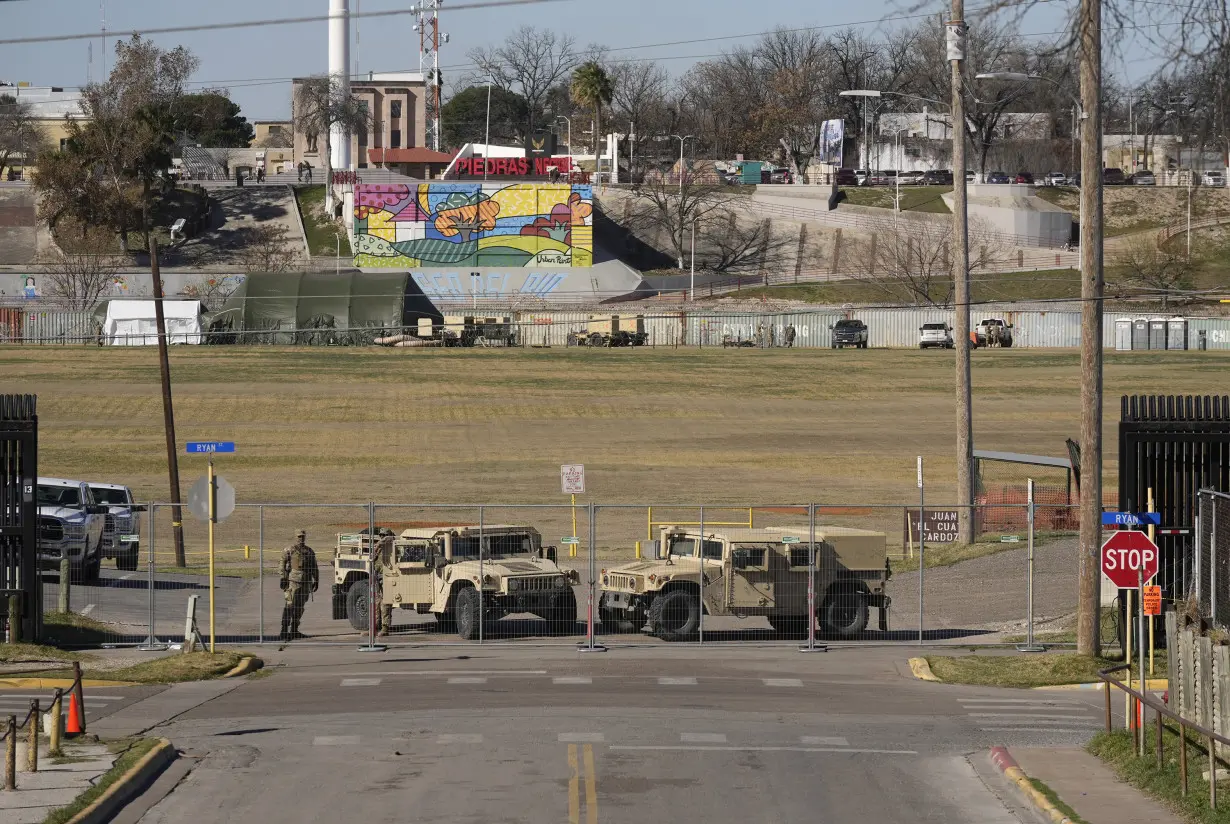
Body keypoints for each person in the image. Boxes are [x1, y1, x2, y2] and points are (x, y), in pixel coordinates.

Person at [279, 530, 319, 641]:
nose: (301, 538)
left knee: (300, 607)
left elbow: (314, 566)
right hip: (293, 581)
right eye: (299, 536)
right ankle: (284, 630)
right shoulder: (289, 550)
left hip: (306, 582)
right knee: (289, 605)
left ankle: (294, 630)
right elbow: (282, 563)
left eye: (302, 536)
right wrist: (283, 577)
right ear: (296, 537)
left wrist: (316, 580)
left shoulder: (309, 551)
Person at [374, 533, 395, 636]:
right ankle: (376, 626)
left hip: (386, 577)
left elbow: (388, 538)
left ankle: (385, 627)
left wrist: (377, 545)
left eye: (384, 535)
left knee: (386, 603)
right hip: (377, 576)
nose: (382, 537)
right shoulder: (381, 548)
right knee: (377, 602)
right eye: (381, 535)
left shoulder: (390, 541)